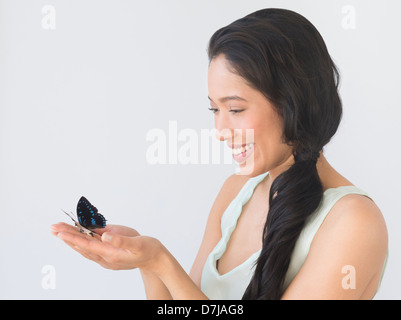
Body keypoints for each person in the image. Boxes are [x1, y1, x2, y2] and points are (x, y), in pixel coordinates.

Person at [51, 8, 388, 300]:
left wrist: (161, 261)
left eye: (236, 109)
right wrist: (146, 262)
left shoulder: (354, 222)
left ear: (293, 105)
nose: (221, 131)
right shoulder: (234, 193)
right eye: (214, 110)